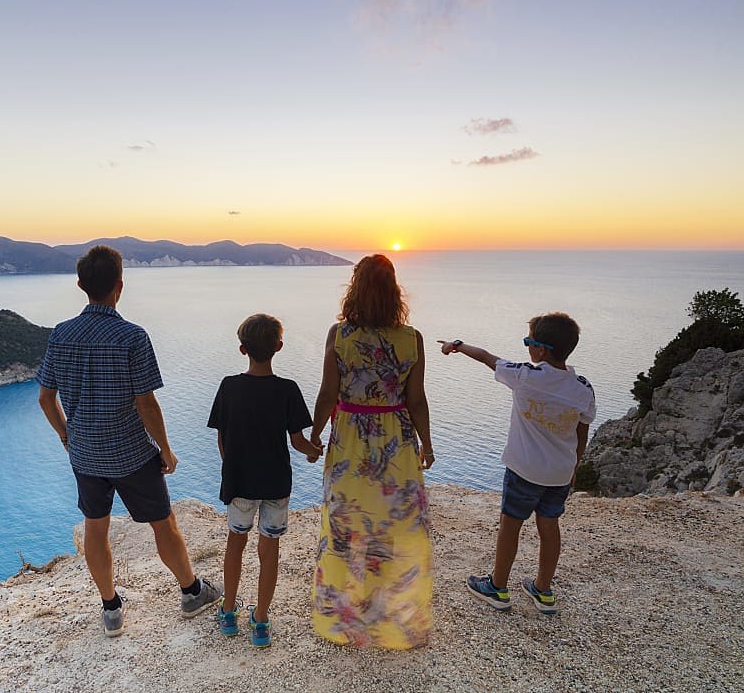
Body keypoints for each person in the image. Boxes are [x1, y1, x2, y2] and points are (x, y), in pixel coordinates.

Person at [36, 245, 220, 638]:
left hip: (85, 455)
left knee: (96, 527)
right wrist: (166, 449)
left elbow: (45, 399)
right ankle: (191, 592)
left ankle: (111, 609)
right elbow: (146, 403)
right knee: (163, 524)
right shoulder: (132, 337)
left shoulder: (61, 335)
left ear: (81, 285)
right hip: (133, 454)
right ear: (120, 286)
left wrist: (66, 434)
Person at [309, 254, 435, 649]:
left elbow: (329, 392)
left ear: (355, 290)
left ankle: (347, 613)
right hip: (395, 441)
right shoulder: (411, 338)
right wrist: (427, 443)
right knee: (390, 524)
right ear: (394, 292)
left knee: (345, 523)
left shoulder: (340, 335)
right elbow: (417, 401)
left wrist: (314, 433)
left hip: (349, 439)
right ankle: (387, 612)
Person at [438, 312, 596, 614]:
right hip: (560, 473)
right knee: (549, 526)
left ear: (540, 349)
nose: (526, 348)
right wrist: (574, 466)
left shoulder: (524, 375)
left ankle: (497, 587)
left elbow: (486, 357)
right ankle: (543, 591)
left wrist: (456, 345)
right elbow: (582, 430)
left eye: (528, 342)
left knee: (510, 526)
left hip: (524, 470)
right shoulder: (583, 388)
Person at [207, 313, 323, 648]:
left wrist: (232, 466)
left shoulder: (229, 386)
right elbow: (298, 441)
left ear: (242, 349)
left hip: (240, 481)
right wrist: (313, 452)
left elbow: (222, 437)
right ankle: (260, 621)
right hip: (275, 484)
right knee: (269, 549)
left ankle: (228, 613)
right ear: (279, 347)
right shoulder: (287, 390)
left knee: (235, 544)